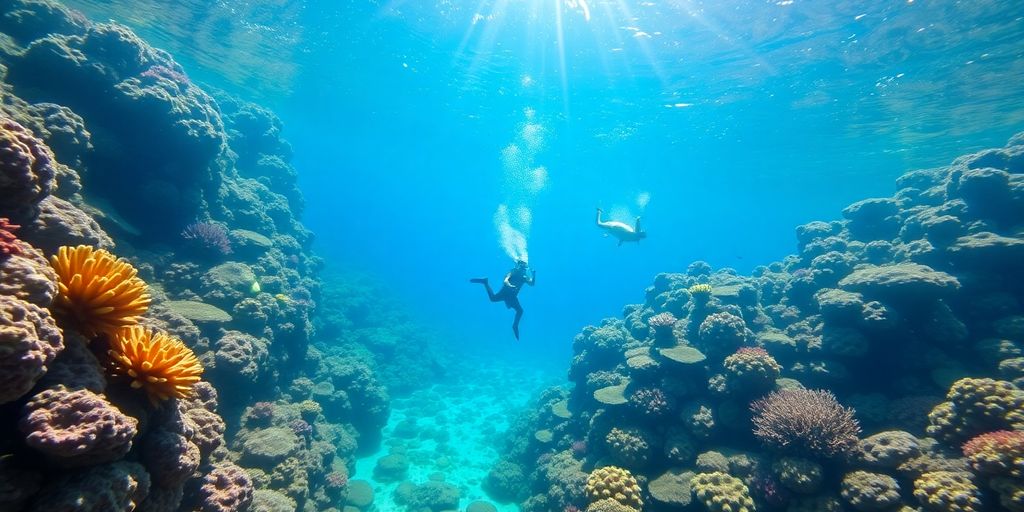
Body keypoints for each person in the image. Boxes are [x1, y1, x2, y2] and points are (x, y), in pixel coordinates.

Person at [470, 259, 536, 340]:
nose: (522, 270)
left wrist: (534, 274)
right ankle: (485, 282)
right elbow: (505, 281)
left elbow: (532, 284)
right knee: (493, 299)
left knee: (520, 311)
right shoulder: (512, 272)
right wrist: (510, 285)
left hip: (512, 297)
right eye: (520, 267)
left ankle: (515, 325)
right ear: (517, 266)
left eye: (523, 269)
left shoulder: (524, 277)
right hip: (505, 293)